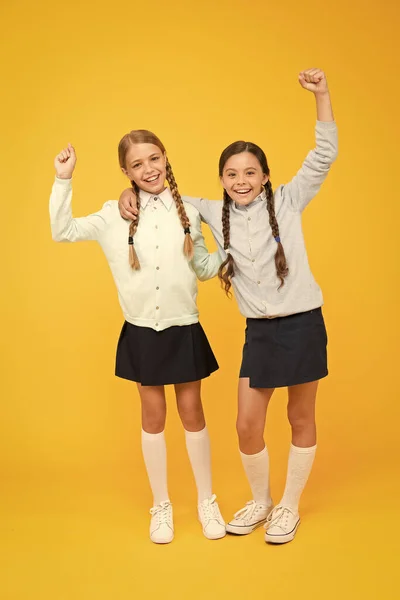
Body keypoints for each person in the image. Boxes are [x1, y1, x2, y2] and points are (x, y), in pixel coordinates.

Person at [118, 69, 338, 544]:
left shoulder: (288, 200)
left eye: (250, 173)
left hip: (302, 324)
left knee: (300, 418)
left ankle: (288, 507)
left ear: (265, 177)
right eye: (232, 174)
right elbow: (157, 194)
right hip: (259, 332)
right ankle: (261, 500)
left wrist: (321, 94)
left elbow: (323, 156)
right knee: (246, 424)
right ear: (221, 179)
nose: (241, 181)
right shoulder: (205, 210)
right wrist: (127, 195)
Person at [49, 130, 226, 544]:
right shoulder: (115, 214)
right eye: (137, 164)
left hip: (183, 326)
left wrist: (233, 254)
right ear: (125, 171)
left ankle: (206, 500)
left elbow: (202, 267)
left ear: (166, 158)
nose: (148, 169)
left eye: (154, 159)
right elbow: (64, 231)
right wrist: (63, 180)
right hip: (143, 329)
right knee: (153, 417)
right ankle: (161, 505)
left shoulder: (190, 212)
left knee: (193, 414)